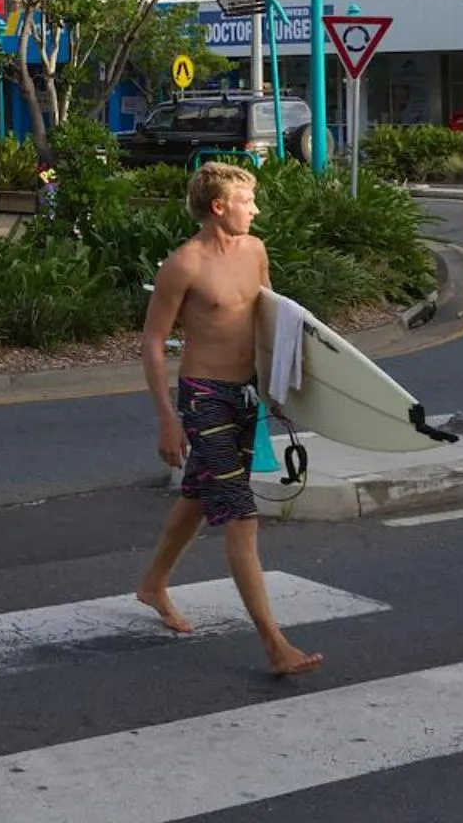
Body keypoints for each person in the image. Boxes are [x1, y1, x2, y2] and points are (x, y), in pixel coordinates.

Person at [132, 161, 323, 678]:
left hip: (245, 396)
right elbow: (152, 344)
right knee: (240, 515)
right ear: (219, 207)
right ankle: (274, 644)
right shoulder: (184, 266)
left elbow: (270, 321)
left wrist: (278, 388)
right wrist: (166, 418)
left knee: (200, 496)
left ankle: (152, 584)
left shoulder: (255, 251)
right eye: (247, 201)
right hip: (203, 398)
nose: (256, 209)